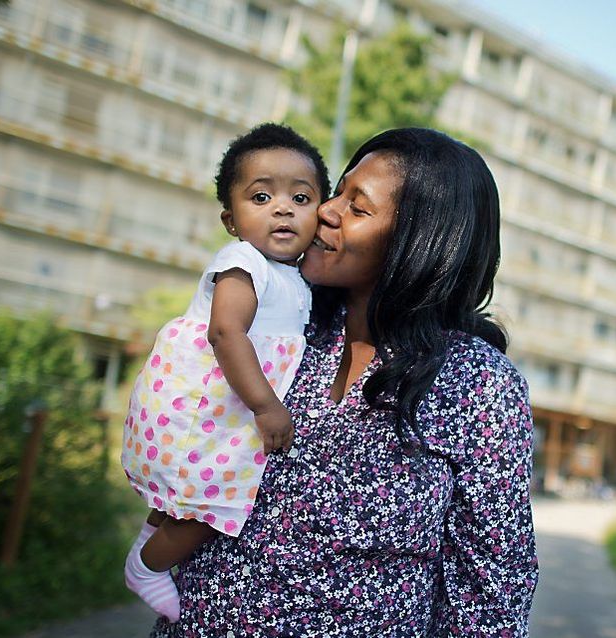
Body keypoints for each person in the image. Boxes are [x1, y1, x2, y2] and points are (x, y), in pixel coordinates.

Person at [152, 128, 538, 636]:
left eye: (357, 208)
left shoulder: (477, 383)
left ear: (417, 243)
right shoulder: (279, 331)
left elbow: (492, 584)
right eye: (337, 192)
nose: (327, 210)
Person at [121, 123, 331, 621]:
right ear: (231, 220)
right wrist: (266, 406)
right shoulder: (242, 262)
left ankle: (153, 539)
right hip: (205, 408)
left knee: (189, 498)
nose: (283, 208)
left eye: (300, 198)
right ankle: (146, 567)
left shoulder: (294, 275)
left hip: (225, 413)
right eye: (260, 196)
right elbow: (227, 334)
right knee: (214, 509)